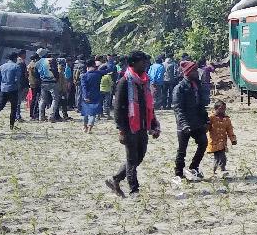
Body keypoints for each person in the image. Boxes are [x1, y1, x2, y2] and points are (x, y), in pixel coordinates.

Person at [105, 51, 161, 197]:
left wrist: (154, 124)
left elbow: (150, 106)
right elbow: (117, 108)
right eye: (142, 62)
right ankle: (134, 189)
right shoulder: (124, 82)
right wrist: (121, 130)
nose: (145, 64)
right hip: (129, 127)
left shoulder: (144, 81)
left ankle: (115, 179)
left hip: (142, 125)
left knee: (140, 156)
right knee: (131, 159)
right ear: (133, 64)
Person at [172, 60, 209, 180]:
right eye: (194, 70)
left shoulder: (197, 85)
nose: (197, 72)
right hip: (184, 124)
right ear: (188, 72)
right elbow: (178, 109)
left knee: (203, 143)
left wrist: (206, 120)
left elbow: (201, 105)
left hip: (197, 122)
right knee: (182, 150)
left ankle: (194, 167)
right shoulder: (179, 88)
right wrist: (184, 124)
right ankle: (178, 173)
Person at [0, 53, 23, 131]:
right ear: (15, 58)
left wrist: (3, 85)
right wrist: (18, 87)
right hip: (13, 90)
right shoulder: (16, 66)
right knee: (13, 108)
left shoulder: (2, 67)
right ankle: (11, 126)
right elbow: (17, 79)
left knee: (0, 106)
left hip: (3, 89)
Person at [206, 100, 237, 176]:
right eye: (221, 108)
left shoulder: (227, 119)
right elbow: (206, 129)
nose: (223, 110)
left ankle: (220, 170)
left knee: (221, 157)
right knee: (218, 157)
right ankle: (217, 170)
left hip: (222, 142)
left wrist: (233, 139)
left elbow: (230, 130)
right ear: (216, 109)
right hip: (214, 142)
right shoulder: (211, 118)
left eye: (224, 109)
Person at [36, 48, 61, 122]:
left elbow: (36, 74)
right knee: (55, 99)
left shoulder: (37, 63)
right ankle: (51, 116)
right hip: (52, 82)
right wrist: (57, 78)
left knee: (42, 100)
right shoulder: (51, 60)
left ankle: (41, 117)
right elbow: (55, 71)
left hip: (43, 82)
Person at [80, 60, 104, 134]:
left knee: (86, 112)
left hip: (87, 95)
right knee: (93, 113)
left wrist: (85, 96)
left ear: (87, 67)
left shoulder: (84, 76)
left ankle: (84, 126)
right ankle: (90, 128)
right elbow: (109, 69)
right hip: (96, 95)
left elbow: (84, 87)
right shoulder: (98, 74)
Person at [16, 50, 29, 122]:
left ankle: (16, 115)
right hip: (20, 84)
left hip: (16, 83)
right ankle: (17, 116)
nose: (26, 55)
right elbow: (24, 75)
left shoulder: (16, 61)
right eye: (25, 54)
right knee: (18, 101)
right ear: (22, 54)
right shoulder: (21, 63)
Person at [27, 52, 41, 120]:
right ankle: (33, 113)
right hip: (36, 83)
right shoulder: (34, 65)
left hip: (32, 83)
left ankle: (33, 113)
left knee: (34, 98)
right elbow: (37, 75)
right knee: (35, 99)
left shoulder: (29, 65)